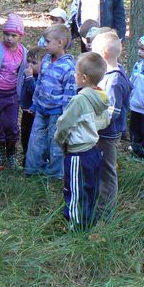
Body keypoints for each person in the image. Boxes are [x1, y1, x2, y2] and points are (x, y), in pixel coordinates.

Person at [54, 52, 111, 230]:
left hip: (77, 152)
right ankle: (88, 219)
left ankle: (76, 226)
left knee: (75, 190)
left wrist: (60, 140)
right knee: (90, 187)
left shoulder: (79, 100)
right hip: (93, 151)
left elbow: (64, 123)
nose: (74, 76)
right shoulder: (101, 97)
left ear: (84, 78)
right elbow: (105, 120)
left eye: (76, 74)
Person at [25, 24, 77, 179]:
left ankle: (55, 173)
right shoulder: (46, 60)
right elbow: (39, 83)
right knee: (35, 138)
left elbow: (69, 93)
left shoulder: (68, 67)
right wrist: (35, 103)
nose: (44, 44)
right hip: (41, 109)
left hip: (57, 112)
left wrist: (65, 113)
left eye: (48, 41)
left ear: (60, 43)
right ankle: (33, 169)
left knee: (55, 142)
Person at [91, 32, 131, 219]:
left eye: (94, 49)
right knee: (98, 168)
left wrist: (92, 123)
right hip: (100, 132)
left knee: (107, 172)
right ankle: (96, 202)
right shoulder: (106, 75)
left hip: (107, 134)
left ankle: (105, 213)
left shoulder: (114, 80)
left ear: (104, 53)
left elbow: (112, 112)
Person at [0, 14, 29, 170]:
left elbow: (23, 73)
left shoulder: (23, 52)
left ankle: (11, 154)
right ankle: (0, 157)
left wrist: (22, 93)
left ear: (20, 36)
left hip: (12, 94)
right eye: (6, 34)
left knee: (11, 125)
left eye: (13, 35)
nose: (9, 38)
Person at [20, 47, 46, 166]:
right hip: (26, 111)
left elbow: (35, 92)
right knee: (25, 135)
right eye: (28, 62)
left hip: (36, 113)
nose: (30, 65)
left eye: (34, 63)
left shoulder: (42, 78)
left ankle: (35, 161)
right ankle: (26, 159)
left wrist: (30, 78)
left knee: (34, 137)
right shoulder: (28, 75)